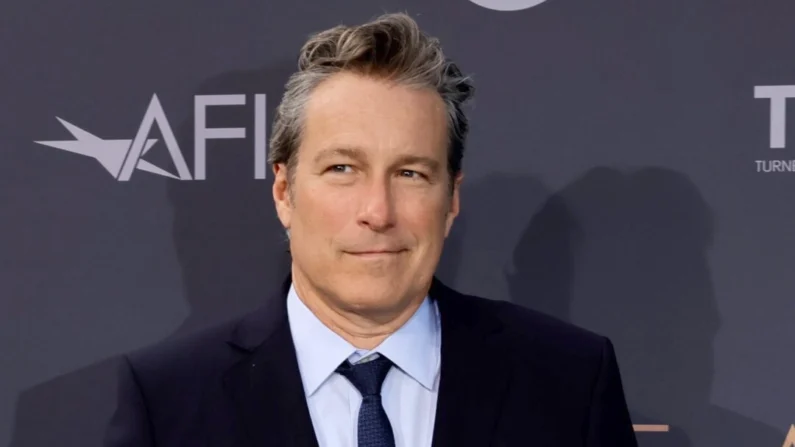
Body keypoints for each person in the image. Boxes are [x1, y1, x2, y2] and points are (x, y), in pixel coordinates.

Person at [104, 12, 638, 447]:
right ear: (284, 192)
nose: (378, 211)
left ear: (451, 198)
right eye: (342, 169)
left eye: (410, 173)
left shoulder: (568, 379)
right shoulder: (168, 402)